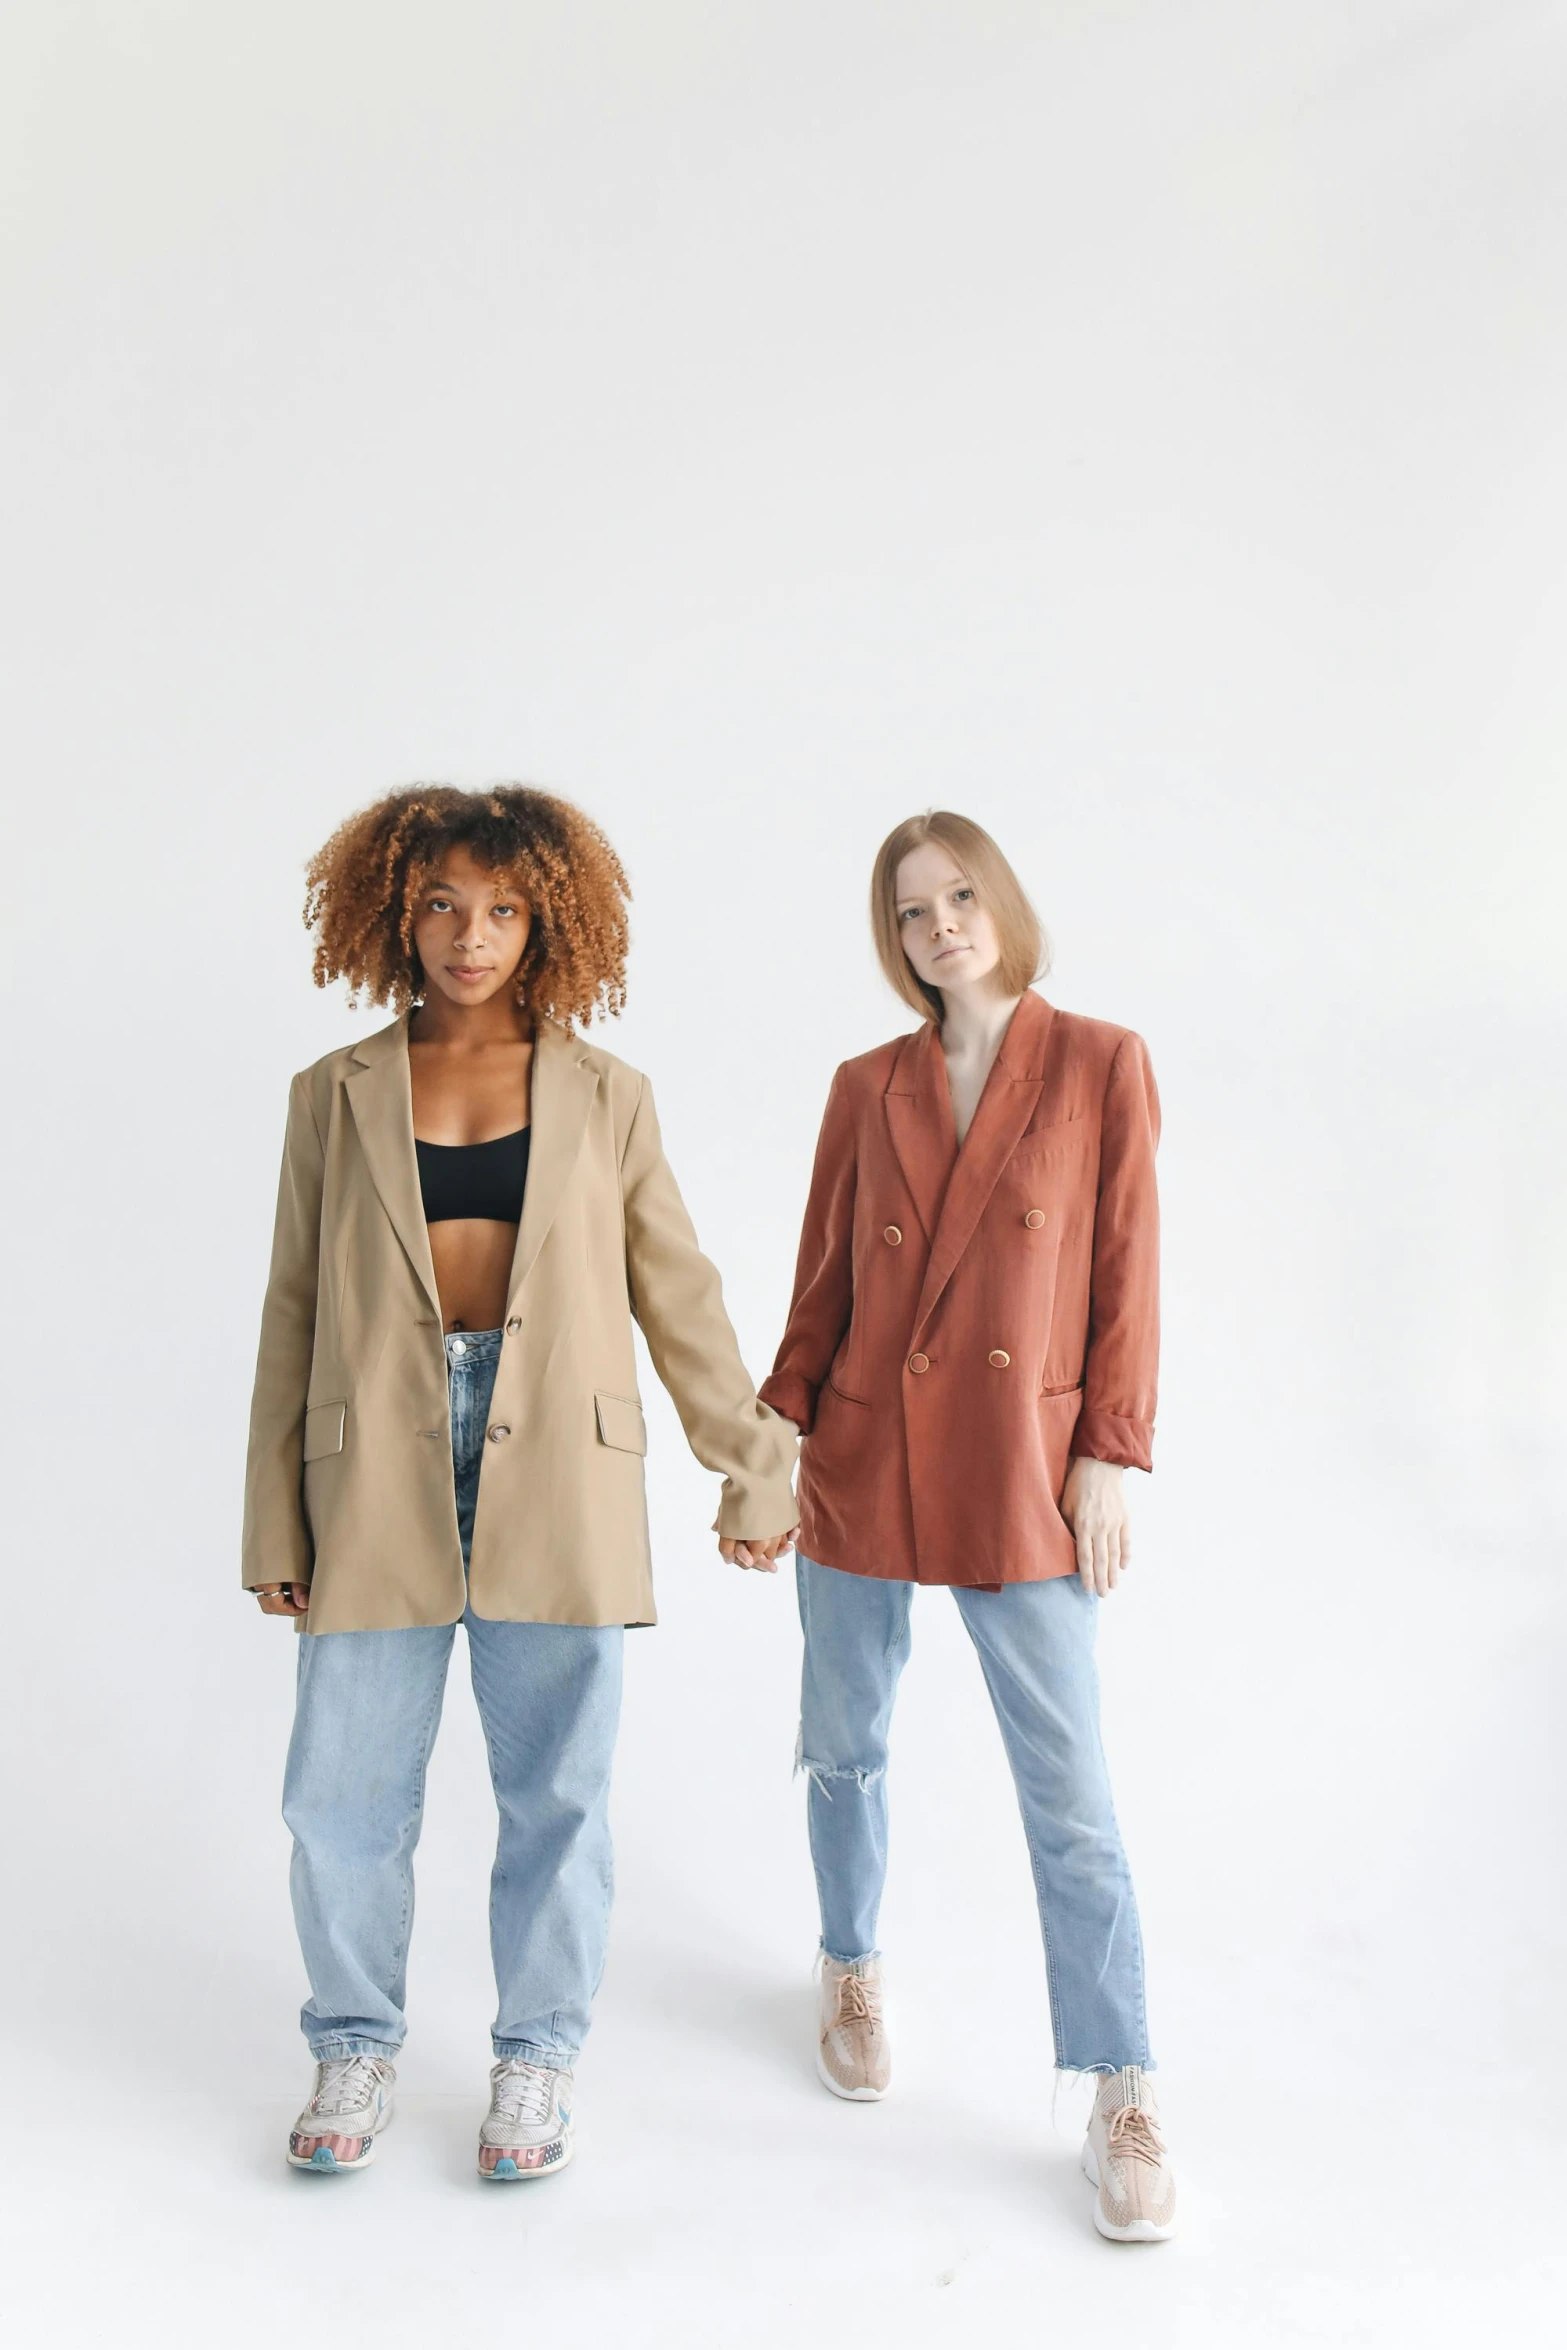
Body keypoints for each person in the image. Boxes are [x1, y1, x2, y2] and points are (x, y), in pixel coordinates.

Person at [243, 784, 798, 2181]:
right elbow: (292, 1308)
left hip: (560, 1462)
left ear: (544, 917)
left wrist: (752, 1462)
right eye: (440, 903)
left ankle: (535, 2058)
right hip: (373, 1458)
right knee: (339, 1792)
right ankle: (355, 2039)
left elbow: (676, 1289)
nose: (468, 935)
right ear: (397, 910)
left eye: (498, 908)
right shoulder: (335, 1093)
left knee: (557, 1792)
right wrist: (272, 1513)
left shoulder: (611, 1096)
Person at [758, 810, 1176, 2243]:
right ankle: (849, 1961)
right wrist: (771, 1447)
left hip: (1019, 1466)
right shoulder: (862, 1084)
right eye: (909, 911)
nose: (938, 924)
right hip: (863, 1460)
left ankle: (1120, 2081)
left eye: (956, 896)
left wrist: (1109, 1452)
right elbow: (819, 1288)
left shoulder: (1098, 1062)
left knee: (1072, 1796)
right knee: (842, 1744)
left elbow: (1125, 1273)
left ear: (1000, 899)